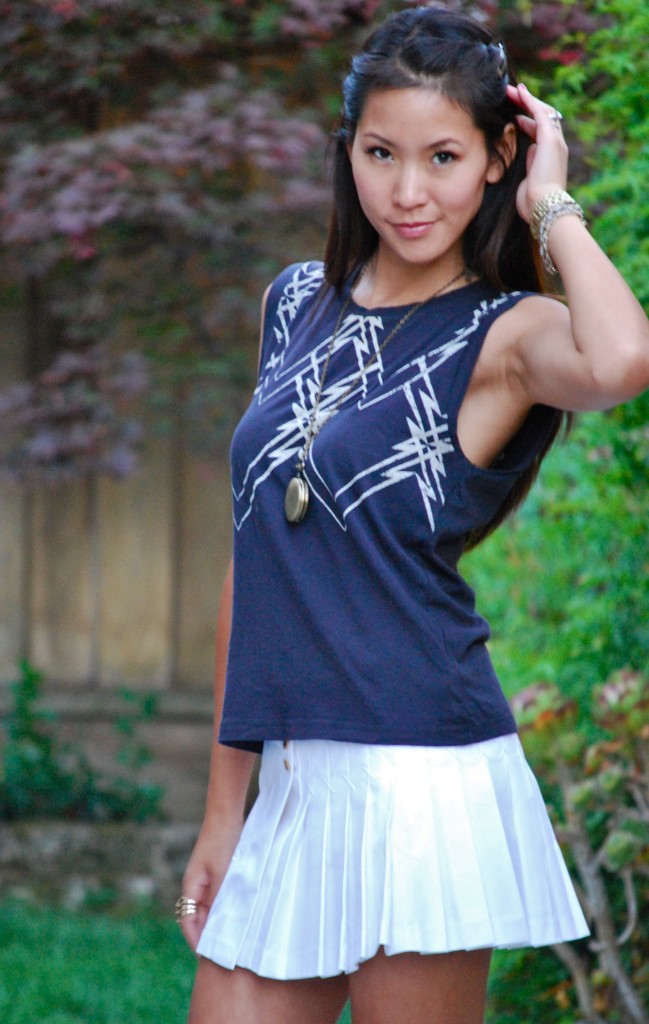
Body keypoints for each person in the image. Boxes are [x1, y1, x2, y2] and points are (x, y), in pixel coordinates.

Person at [177, 6, 649, 1023]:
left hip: (419, 779)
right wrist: (225, 811)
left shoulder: (505, 332)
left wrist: (552, 198)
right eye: (380, 152)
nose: (405, 189)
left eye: (442, 155)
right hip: (296, 777)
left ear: (494, 160)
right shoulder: (294, 302)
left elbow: (619, 361)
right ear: (347, 151)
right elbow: (254, 562)